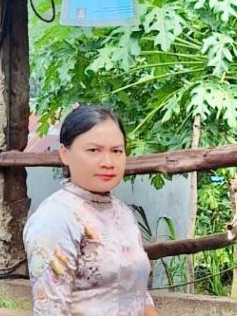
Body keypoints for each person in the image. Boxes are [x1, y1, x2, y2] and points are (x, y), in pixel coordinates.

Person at [23, 105, 159, 316]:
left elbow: (139, 295)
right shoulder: (55, 218)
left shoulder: (123, 214)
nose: (108, 162)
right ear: (64, 154)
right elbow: (51, 309)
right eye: (94, 150)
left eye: (116, 151)